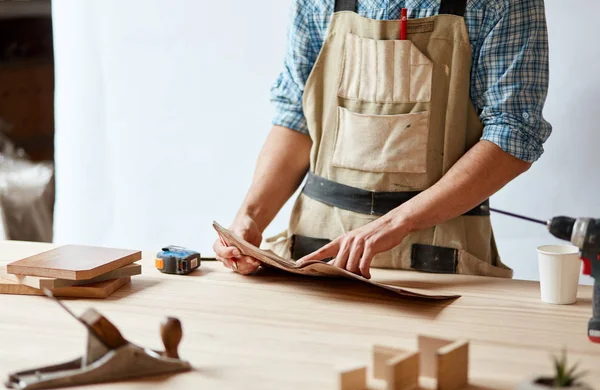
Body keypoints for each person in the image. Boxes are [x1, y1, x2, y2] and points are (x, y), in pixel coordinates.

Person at [214, 0, 551, 279]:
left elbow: (513, 136)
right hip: (314, 252)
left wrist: (396, 222)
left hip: (441, 261)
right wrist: (249, 219)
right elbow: (297, 116)